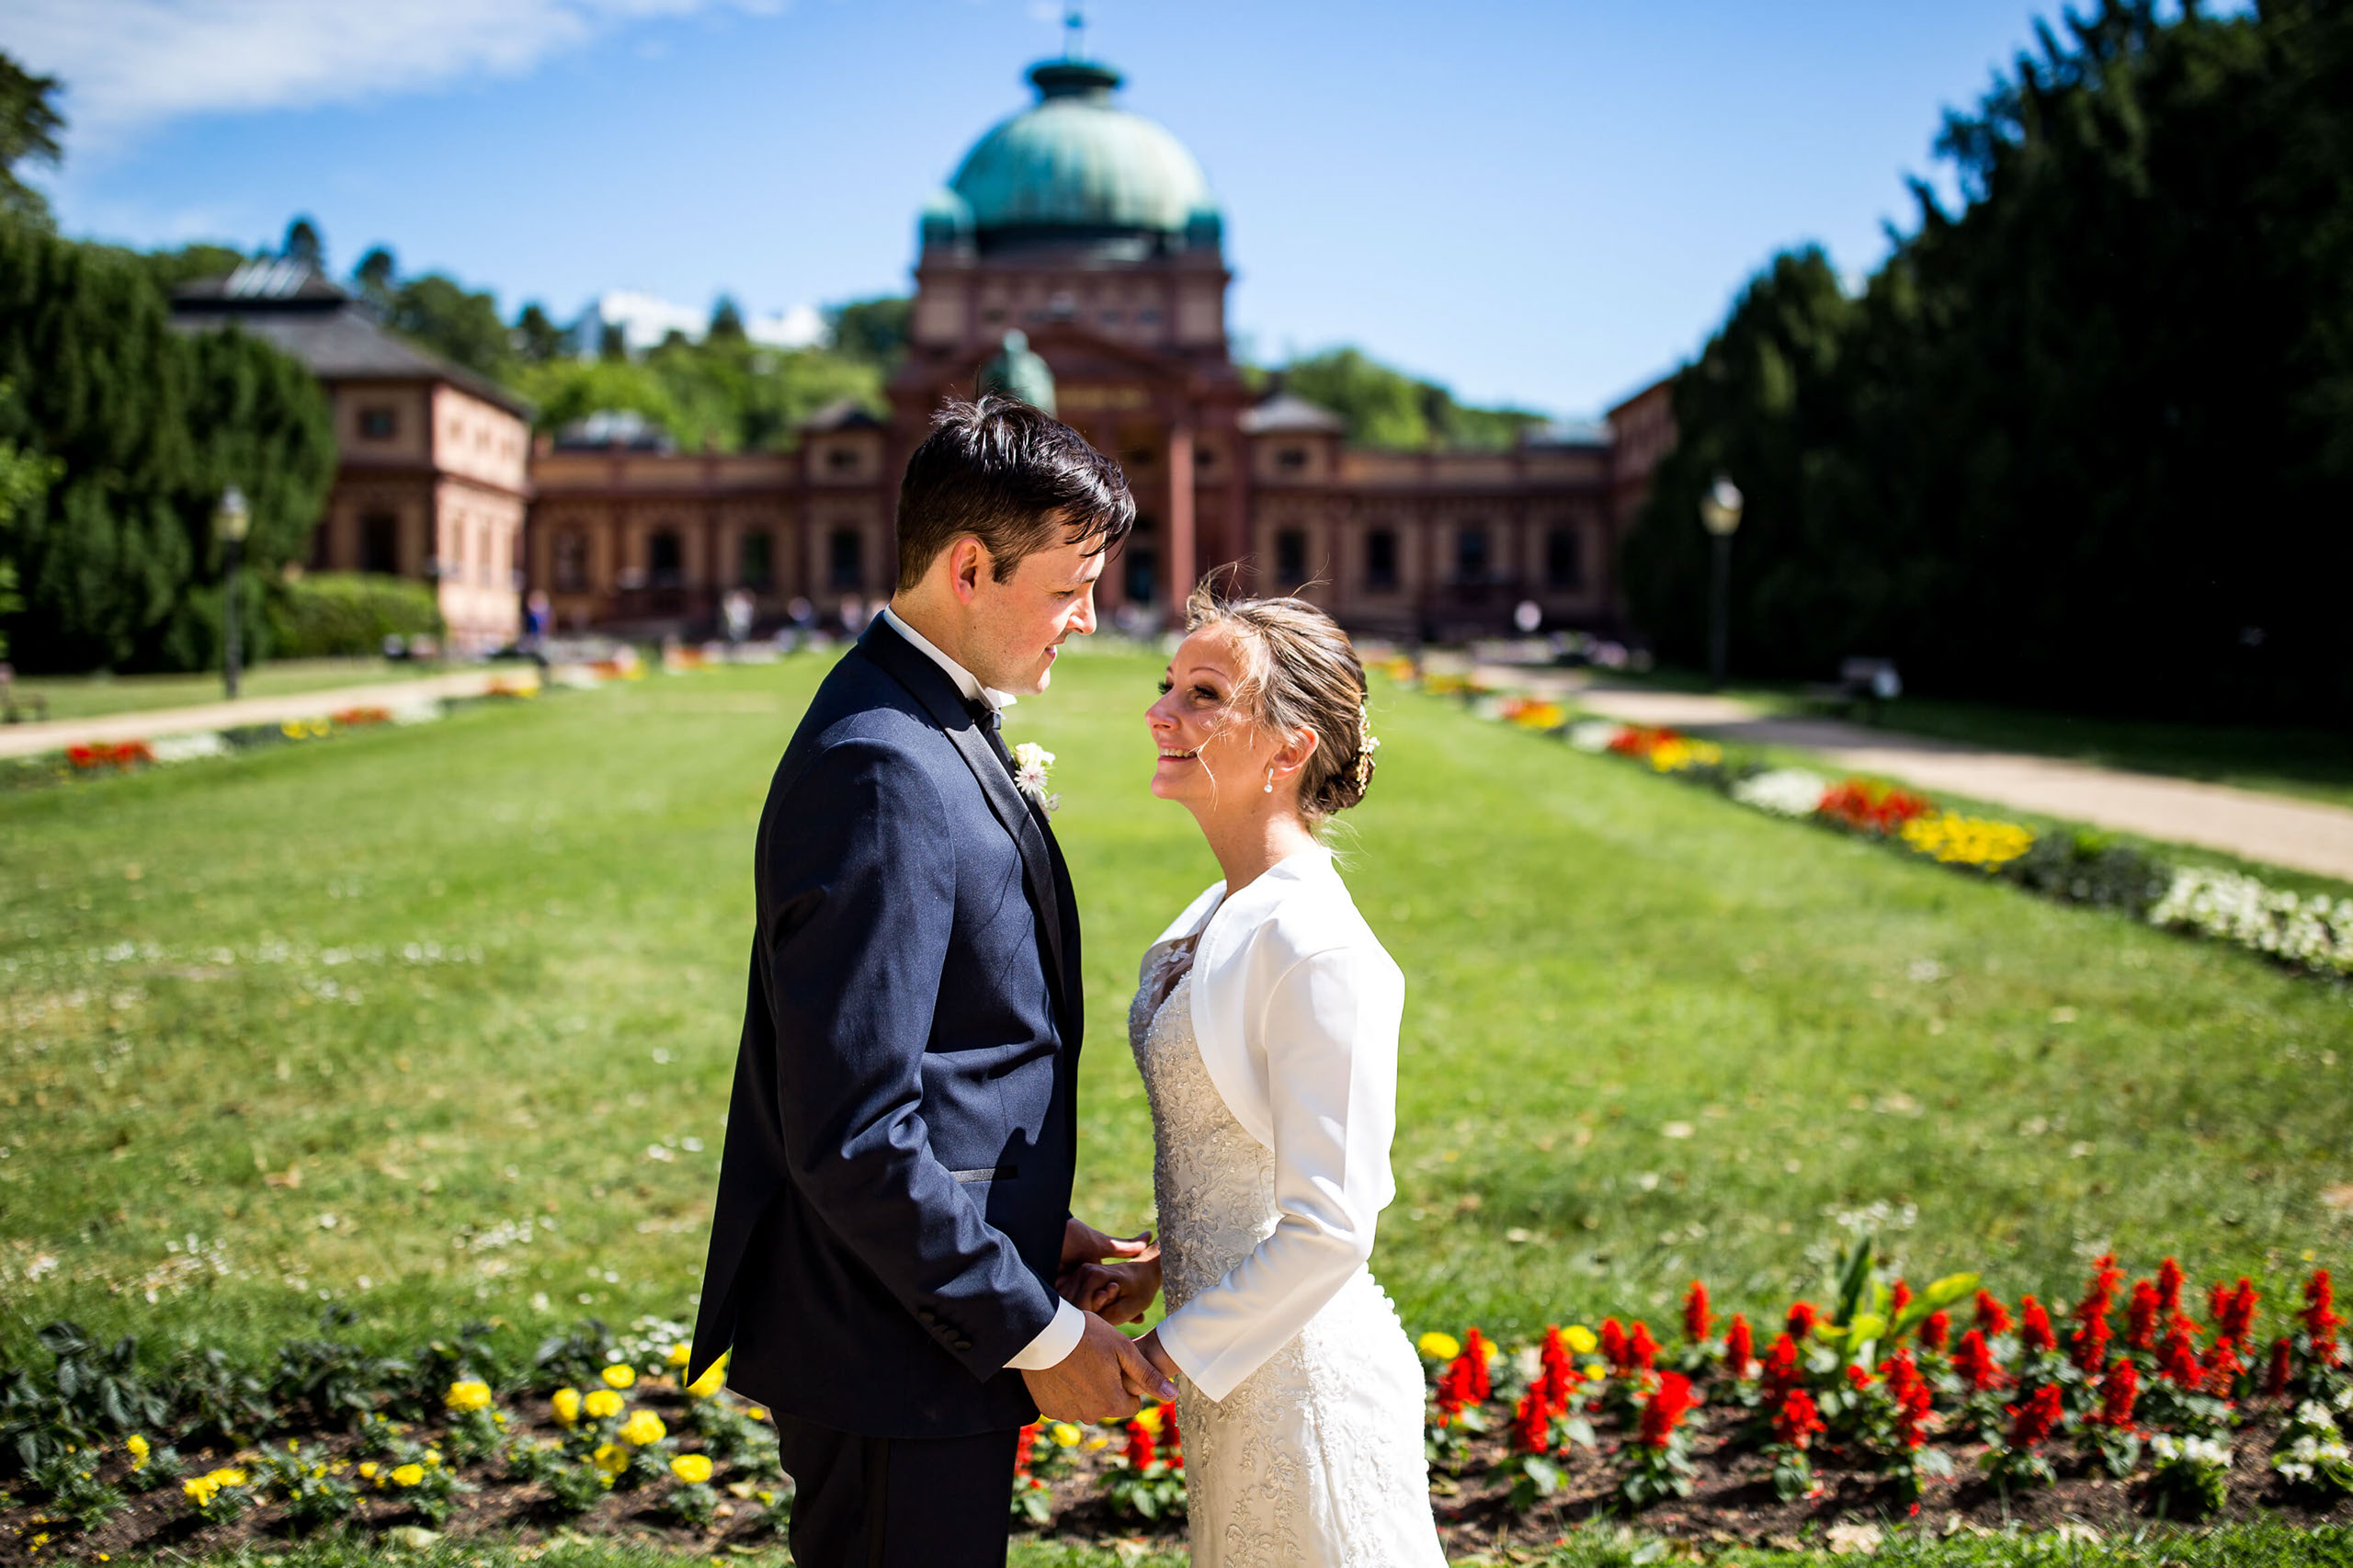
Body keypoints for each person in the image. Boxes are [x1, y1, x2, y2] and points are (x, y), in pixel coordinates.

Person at [687, 397, 1173, 1568]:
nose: (1087, 618)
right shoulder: (881, 765)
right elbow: (854, 1128)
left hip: (912, 1314)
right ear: (968, 566)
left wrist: (1026, 1227)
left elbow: (941, 1052)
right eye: (1067, 587)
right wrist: (1034, 1329)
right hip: (887, 1349)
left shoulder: (924, 716)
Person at [1066, 585, 1447, 1567]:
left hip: (1303, 1385)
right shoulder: (1215, 907)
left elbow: (1330, 1226)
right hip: (1233, 1374)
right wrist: (1156, 1267)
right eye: (1168, 685)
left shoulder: (1319, 947)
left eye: (1203, 693)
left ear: (1288, 748)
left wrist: (1155, 1360)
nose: (1161, 711)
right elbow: (1235, 1143)